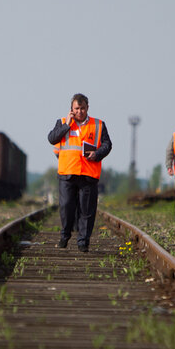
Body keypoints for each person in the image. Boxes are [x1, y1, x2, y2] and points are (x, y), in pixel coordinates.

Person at [47, 93, 112, 252]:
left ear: (87, 108)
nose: (80, 111)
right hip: (67, 173)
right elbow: (52, 138)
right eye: (77, 108)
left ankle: (83, 242)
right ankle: (65, 235)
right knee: (67, 206)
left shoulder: (98, 125)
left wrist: (97, 154)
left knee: (86, 210)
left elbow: (107, 144)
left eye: (82, 108)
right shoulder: (62, 122)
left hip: (88, 174)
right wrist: (67, 125)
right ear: (71, 109)